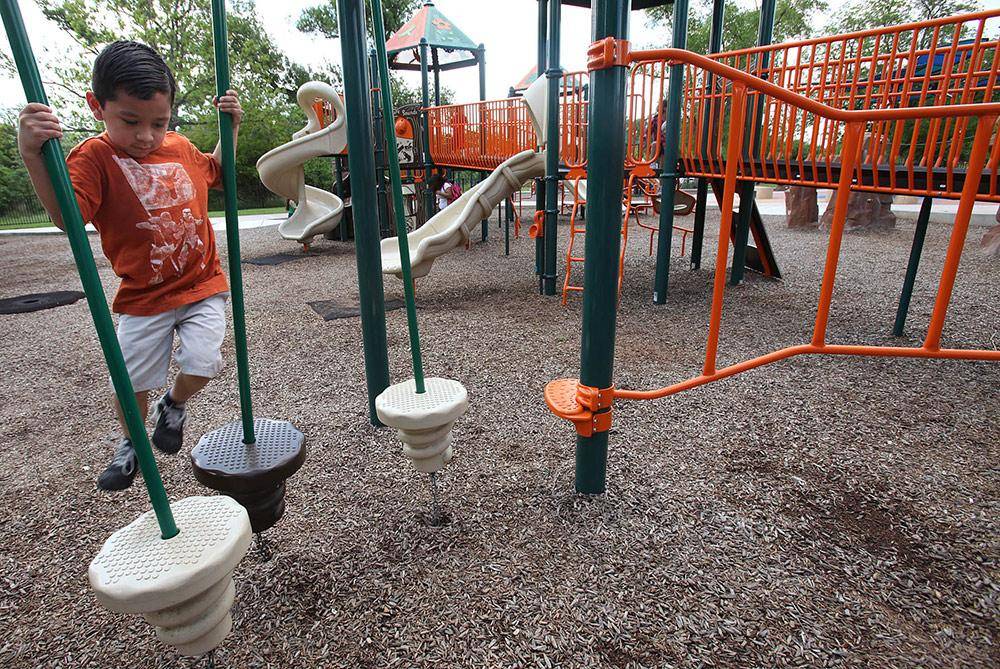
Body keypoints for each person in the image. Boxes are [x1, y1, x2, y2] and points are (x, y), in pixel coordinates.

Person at [17, 41, 243, 491]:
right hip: (143, 296)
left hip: (202, 284)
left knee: (204, 362)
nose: (146, 135)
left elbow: (219, 171)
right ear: (97, 106)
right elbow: (68, 217)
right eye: (131, 121)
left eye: (159, 122)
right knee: (131, 381)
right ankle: (133, 441)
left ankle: (173, 404)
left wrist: (230, 127)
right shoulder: (94, 158)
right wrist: (32, 155)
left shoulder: (178, 147)